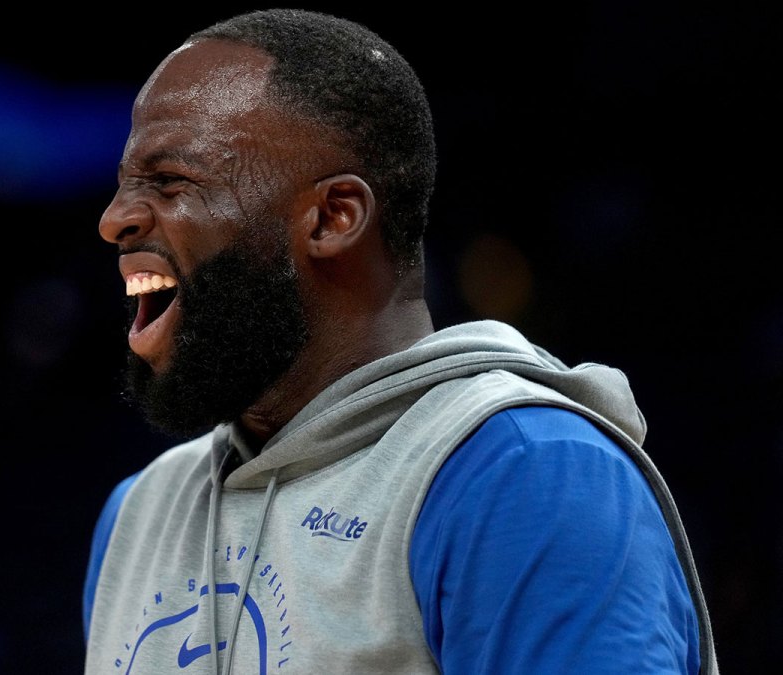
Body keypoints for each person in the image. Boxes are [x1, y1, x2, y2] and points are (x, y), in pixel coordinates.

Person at [82, 8, 718, 674]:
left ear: (333, 217)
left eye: (169, 180)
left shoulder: (521, 473)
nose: (113, 219)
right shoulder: (139, 513)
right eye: (124, 184)